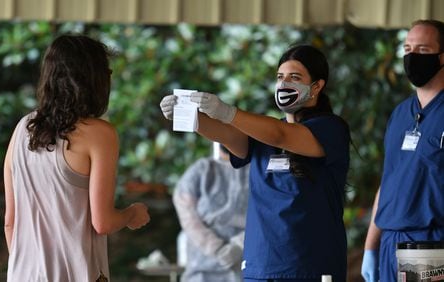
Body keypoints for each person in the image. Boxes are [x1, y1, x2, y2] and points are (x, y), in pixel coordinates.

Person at [160, 44, 351, 281]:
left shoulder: (330, 128)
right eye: (280, 77)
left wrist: (228, 112)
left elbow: (281, 135)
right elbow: (228, 136)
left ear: (317, 86)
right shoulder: (263, 132)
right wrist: (191, 117)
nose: (284, 84)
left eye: (295, 77)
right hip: (260, 266)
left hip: (310, 265)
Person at [3, 34, 150, 282]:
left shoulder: (23, 129)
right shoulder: (99, 134)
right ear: (94, 80)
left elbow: (10, 222)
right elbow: (102, 222)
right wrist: (132, 214)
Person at [361, 19, 444, 282]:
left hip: (429, 241)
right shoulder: (400, 114)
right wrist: (370, 247)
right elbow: (388, 181)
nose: (412, 57)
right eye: (408, 49)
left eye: (422, 50)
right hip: (389, 240)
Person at [173, 142, 249, 282]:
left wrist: (241, 244)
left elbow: (268, 213)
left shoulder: (257, 171)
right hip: (202, 268)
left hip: (246, 265)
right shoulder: (202, 170)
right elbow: (186, 213)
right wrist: (215, 247)